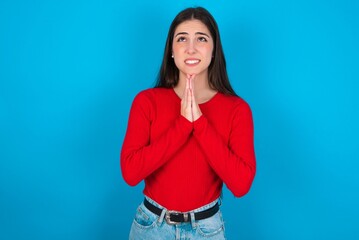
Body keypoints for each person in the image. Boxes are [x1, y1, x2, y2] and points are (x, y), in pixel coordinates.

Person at [120, 6, 256, 239]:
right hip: (150, 227)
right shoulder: (147, 101)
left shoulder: (237, 110)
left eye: (201, 39)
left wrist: (200, 124)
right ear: (171, 50)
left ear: (214, 50)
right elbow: (131, 173)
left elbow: (241, 185)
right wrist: (182, 125)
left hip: (206, 230)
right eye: (182, 39)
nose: (191, 48)